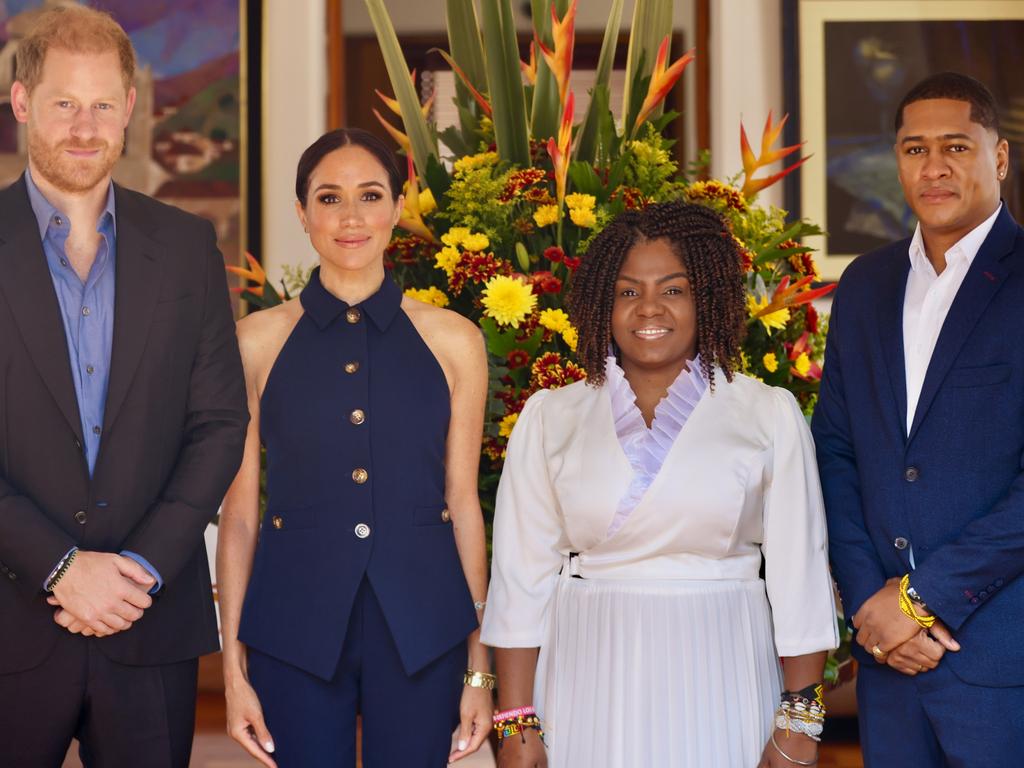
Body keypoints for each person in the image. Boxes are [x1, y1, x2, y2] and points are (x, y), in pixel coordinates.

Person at [481, 200, 839, 768]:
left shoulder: (766, 413)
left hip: (723, 662)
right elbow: (520, 578)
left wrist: (800, 718)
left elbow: (800, 574)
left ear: (708, 299)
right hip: (586, 670)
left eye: (673, 290)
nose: (649, 308)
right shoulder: (550, 415)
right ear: (602, 302)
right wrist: (516, 719)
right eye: (627, 291)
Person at [0, 6, 248, 767]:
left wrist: (137, 570)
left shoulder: (185, 246)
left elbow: (219, 423)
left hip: (151, 623)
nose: (85, 126)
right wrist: (62, 567)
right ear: (20, 103)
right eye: (64, 104)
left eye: (103, 104)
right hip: (10, 620)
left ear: (132, 108)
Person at [217, 127, 493, 767]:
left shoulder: (455, 341)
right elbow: (238, 516)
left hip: (425, 629)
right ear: (302, 213)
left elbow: (463, 502)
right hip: (293, 627)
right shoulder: (255, 342)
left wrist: (479, 669)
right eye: (329, 197)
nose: (350, 217)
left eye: (370, 195)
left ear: (399, 207)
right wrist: (233, 669)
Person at [812, 71, 1024, 766]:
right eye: (913, 149)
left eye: (956, 147)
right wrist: (872, 609)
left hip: (996, 660)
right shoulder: (865, 287)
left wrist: (920, 600)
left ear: (998, 157)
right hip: (888, 664)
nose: (932, 167)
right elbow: (836, 451)